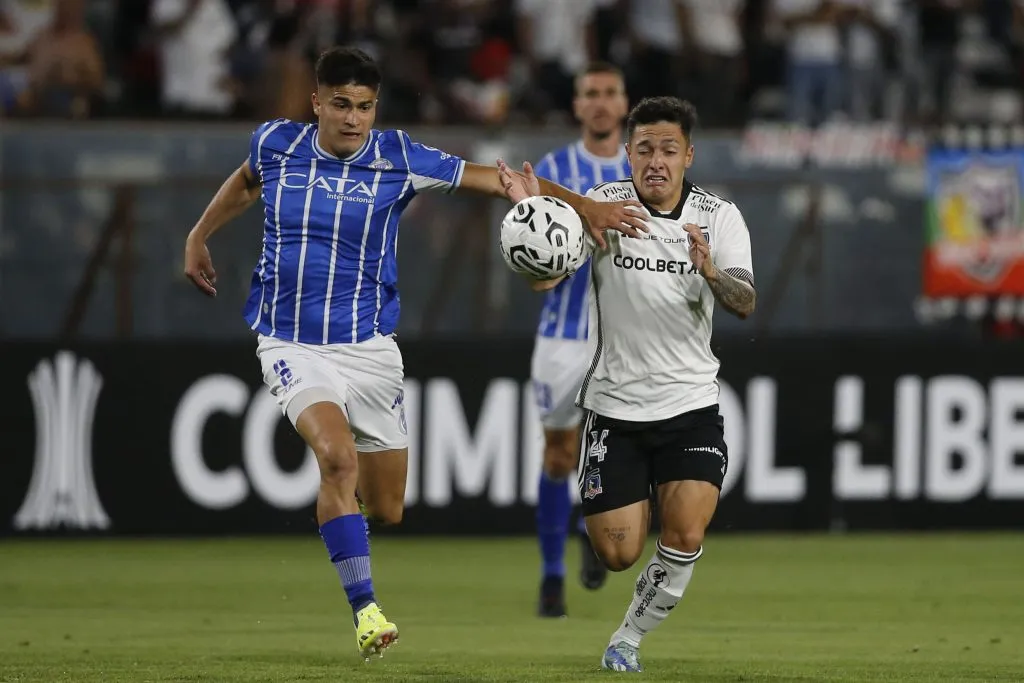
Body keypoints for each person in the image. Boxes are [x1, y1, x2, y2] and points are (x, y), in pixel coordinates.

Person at [182, 46, 648, 661]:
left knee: (388, 506)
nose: (353, 119)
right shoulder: (276, 143)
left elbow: (495, 177)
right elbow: (246, 181)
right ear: (317, 102)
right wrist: (199, 234)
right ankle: (366, 610)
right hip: (290, 341)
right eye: (342, 105)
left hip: (371, 348)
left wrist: (577, 204)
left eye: (365, 107)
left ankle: (347, 527)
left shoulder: (398, 156)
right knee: (335, 459)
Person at [500, 96, 756, 672]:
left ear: (688, 155)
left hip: (691, 404)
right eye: (644, 150)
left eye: (668, 150)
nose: (656, 162)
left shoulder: (719, 217)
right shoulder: (606, 209)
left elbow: (745, 301)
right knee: (618, 553)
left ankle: (627, 639)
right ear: (628, 154)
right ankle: (609, 549)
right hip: (616, 407)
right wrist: (532, 216)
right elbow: (550, 277)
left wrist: (712, 271)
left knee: (686, 534)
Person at [529, 61, 631, 618]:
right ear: (576, 105)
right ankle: (551, 577)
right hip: (562, 339)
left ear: (624, 103)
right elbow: (526, 252)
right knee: (559, 455)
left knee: (622, 452)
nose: (599, 102)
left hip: (624, 339)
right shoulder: (553, 169)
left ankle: (597, 536)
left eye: (609, 93)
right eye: (590, 93)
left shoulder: (642, 171)